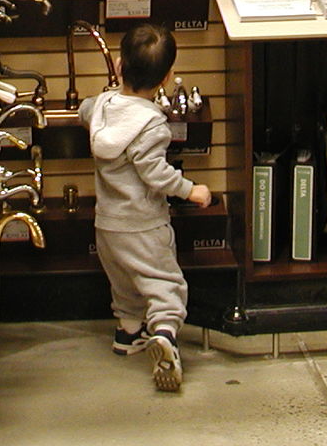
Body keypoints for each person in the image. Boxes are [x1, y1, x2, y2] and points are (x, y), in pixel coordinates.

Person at [79, 22, 212, 392]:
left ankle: (128, 334)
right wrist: (191, 190)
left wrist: (102, 101)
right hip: (143, 225)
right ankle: (165, 334)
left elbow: (84, 110)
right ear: (168, 77)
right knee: (163, 282)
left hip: (107, 226)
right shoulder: (153, 125)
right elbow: (156, 174)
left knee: (124, 284)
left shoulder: (101, 108)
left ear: (119, 66)